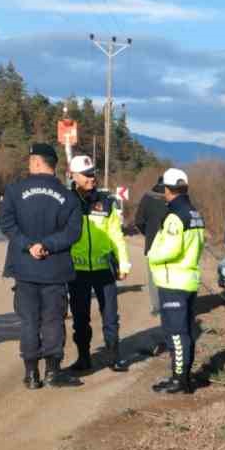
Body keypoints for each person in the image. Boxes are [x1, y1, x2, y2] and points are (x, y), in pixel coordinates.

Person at [0, 143, 83, 389]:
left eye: (30, 160)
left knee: (29, 321)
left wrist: (29, 245)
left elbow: (6, 223)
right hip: (54, 269)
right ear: (53, 166)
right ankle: (53, 372)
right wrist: (47, 245)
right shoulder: (69, 197)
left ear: (36, 162)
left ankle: (31, 374)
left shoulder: (14, 191)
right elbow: (73, 232)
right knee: (53, 320)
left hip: (25, 268)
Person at [65, 154, 131, 373]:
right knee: (81, 318)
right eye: (86, 175)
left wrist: (124, 263)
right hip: (77, 271)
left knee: (111, 316)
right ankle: (84, 358)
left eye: (93, 173)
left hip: (104, 269)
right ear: (73, 176)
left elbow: (116, 235)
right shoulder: (66, 201)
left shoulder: (106, 202)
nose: (91, 178)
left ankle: (114, 356)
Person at [146, 167, 205, 395]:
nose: (164, 195)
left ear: (169, 190)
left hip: (174, 282)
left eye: (165, 191)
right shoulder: (195, 214)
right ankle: (182, 376)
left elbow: (170, 249)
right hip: (188, 280)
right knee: (186, 331)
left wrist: (152, 255)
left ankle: (180, 380)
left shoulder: (175, 216)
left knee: (176, 333)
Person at [134, 177, 167, 320]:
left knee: (154, 277)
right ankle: (170, 305)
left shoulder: (147, 198)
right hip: (173, 244)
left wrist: (147, 232)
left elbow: (139, 221)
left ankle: (157, 307)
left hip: (152, 244)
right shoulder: (175, 198)